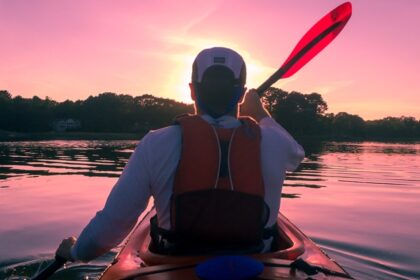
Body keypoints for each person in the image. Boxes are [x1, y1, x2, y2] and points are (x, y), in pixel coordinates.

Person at [56, 47, 305, 262]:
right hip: (258, 265)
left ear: (192, 91)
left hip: (175, 263)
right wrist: (260, 112)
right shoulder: (275, 142)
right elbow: (297, 154)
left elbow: (111, 226)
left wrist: (75, 252)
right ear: (241, 94)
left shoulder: (156, 143)